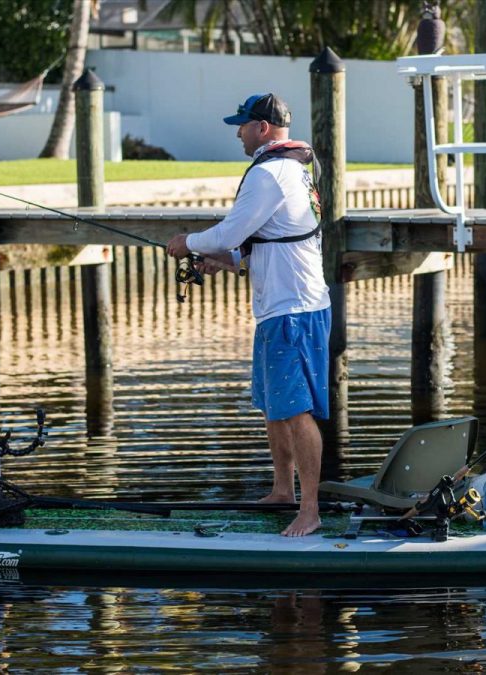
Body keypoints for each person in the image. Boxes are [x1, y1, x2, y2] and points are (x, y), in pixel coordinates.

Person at [166, 93, 331, 537]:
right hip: (282, 306)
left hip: (293, 311)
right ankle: (283, 490)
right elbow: (270, 241)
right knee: (274, 407)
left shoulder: (271, 173)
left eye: (242, 124)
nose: (237, 132)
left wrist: (189, 243)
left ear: (262, 128)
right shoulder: (291, 169)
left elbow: (230, 232)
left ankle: (310, 510)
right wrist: (222, 262)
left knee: (296, 411)